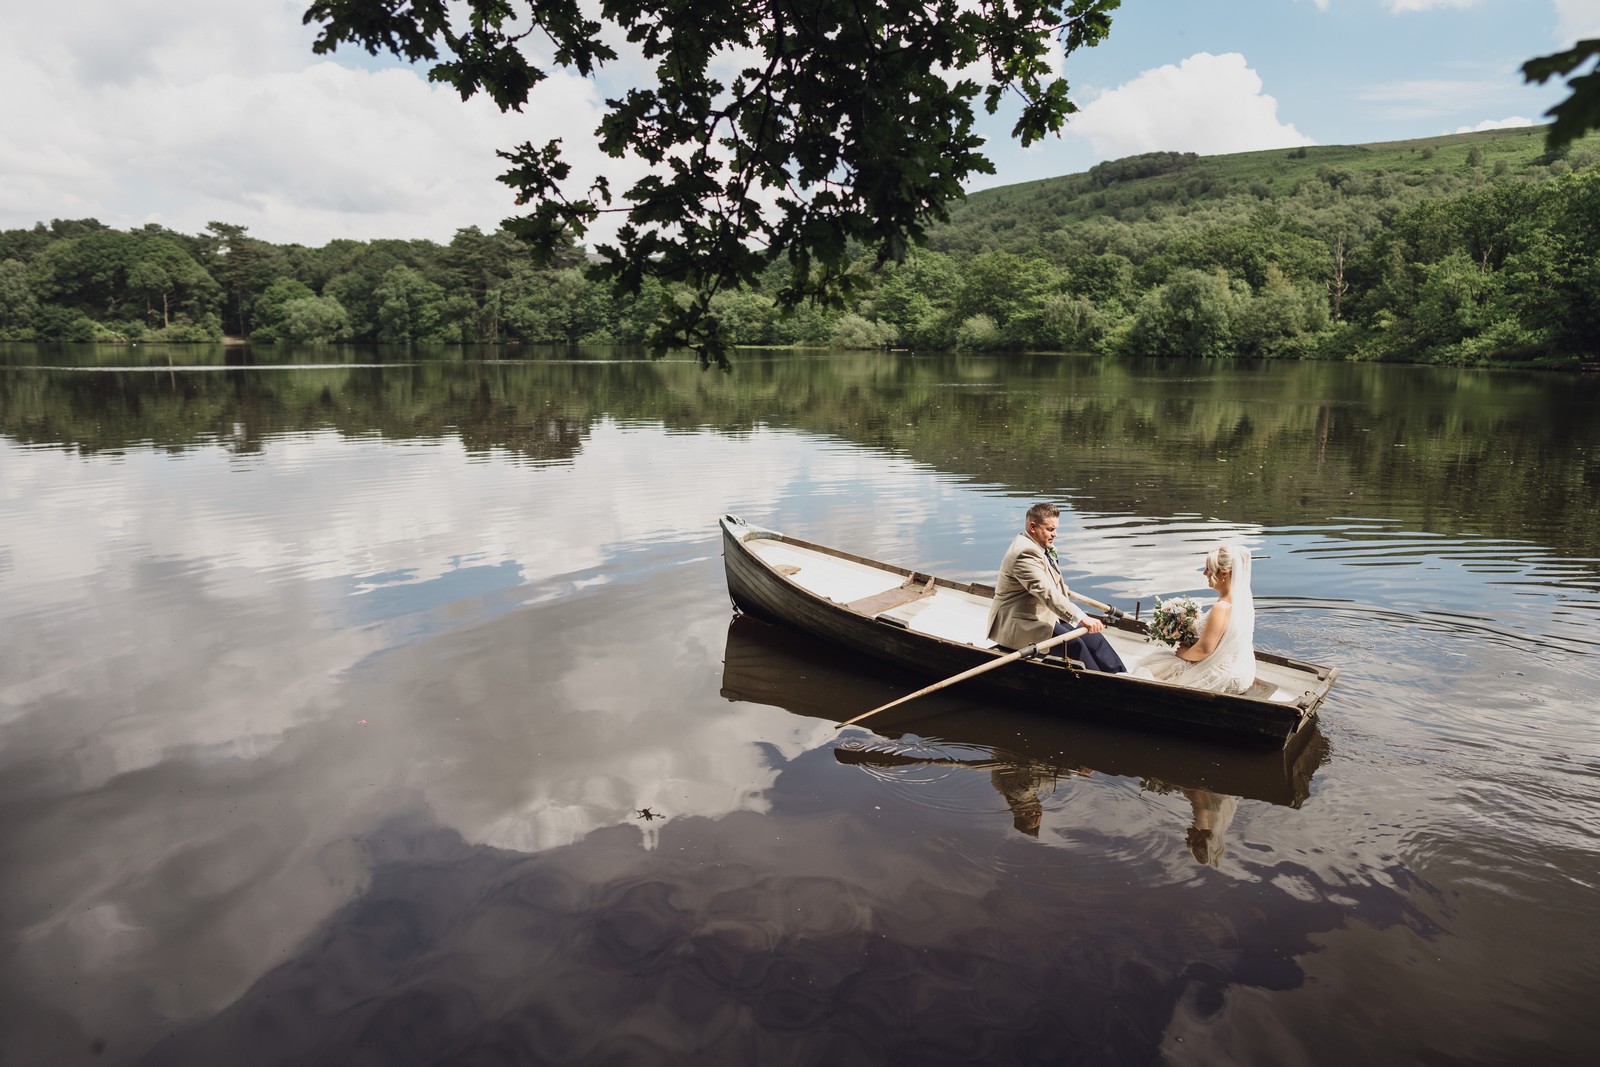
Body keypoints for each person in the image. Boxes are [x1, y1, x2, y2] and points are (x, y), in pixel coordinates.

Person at [986, 502, 1127, 673]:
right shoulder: (1024, 553)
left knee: (1093, 637)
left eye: (1055, 529)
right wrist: (1082, 618)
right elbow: (1047, 592)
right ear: (1033, 526)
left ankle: (1124, 676)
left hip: (1045, 615)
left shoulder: (1040, 546)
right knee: (1074, 645)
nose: (1055, 534)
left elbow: (1054, 585)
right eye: (1050, 529)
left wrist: (1076, 612)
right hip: (1018, 622)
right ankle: (1102, 687)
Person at [1131, 543, 1256, 694]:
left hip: (1220, 675)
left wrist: (1183, 653)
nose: (1205, 573)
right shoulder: (1241, 603)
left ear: (1224, 573)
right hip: (1241, 672)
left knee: (1148, 667)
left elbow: (1204, 650)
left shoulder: (1222, 607)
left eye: (1208, 569)